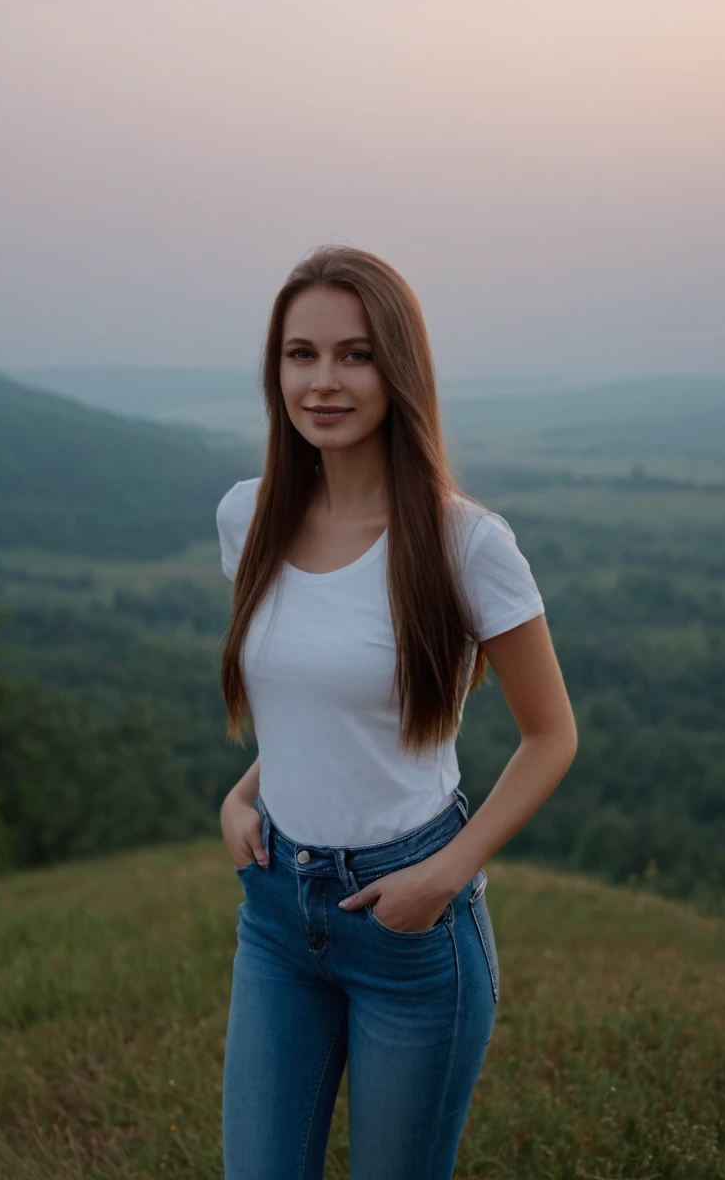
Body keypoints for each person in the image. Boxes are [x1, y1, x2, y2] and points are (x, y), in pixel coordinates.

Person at [216, 244, 577, 1180]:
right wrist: (244, 792)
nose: (323, 381)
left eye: (355, 354)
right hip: (277, 914)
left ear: (399, 371)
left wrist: (444, 878)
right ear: (277, 370)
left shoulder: (468, 543)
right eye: (301, 355)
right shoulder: (245, 517)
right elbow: (308, 696)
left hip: (411, 919)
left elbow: (552, 736)